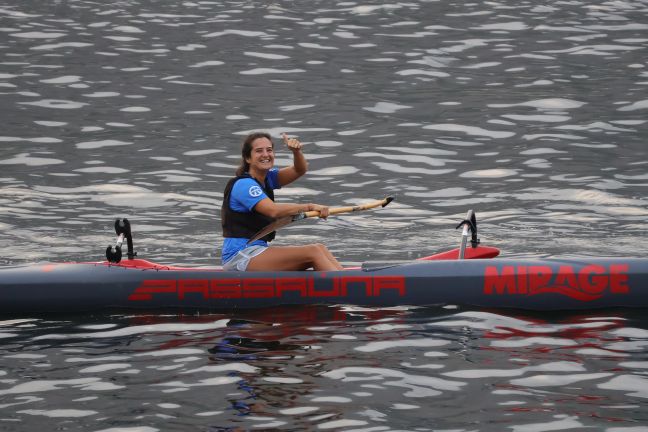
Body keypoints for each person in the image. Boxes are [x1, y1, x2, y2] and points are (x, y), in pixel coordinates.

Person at [221, 132, 344, 271]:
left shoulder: (268, 178)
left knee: (320, 248)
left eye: (269, 150)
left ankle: (347, 281)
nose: (266, 154)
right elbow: (273, 211)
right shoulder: (244, 185)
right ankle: (346, 288)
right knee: (313, 252)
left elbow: (300, 169)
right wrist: (309, 206)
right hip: (239, 256)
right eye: (259, 151)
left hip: (256, 250)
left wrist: (296, 152)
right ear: (248, 158)